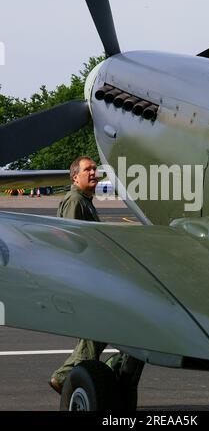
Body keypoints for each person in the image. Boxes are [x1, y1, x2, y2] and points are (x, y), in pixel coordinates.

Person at [49, 155, 107, 394]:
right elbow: (72, 242)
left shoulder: (84, 200)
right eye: (88, 170)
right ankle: (64, 377)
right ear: (75, 176)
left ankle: (66, 376)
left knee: (101, 330)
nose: (93, 172)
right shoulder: (75, 201)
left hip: (88, 276)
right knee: (100, 329)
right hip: (84, 277)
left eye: (95, 169)